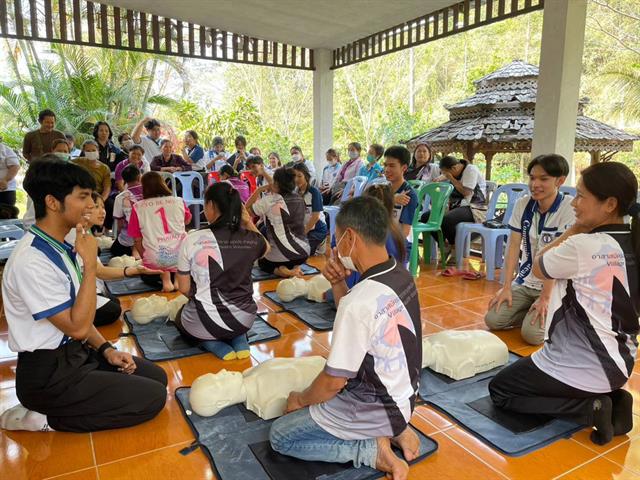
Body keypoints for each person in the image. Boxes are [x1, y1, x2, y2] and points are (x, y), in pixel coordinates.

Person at [0, 158, 167, 433]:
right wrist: (90, 266)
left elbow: (81, 317)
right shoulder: (31, 260)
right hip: (48, 375)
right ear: (53, 202)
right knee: (152, 399)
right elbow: (77, 326)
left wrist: (107, 349)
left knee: (156, 378)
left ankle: (82, 385)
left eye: (92, 196)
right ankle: (45, 419)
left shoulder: (62, 244)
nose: (91, 205)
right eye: (83, 197)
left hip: (76, 354)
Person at [269, 196, 422, 480]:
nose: (335, 248)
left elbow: (333, 382)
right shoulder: (400, 274)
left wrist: (300, 401)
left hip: (376, 406)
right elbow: (358, 321)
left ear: (350, 237)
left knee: (281, 436)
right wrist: (338, 282)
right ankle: (395, 429)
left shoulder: (361, 300)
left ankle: (371, 450)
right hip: (404, 397)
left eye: (337, 239)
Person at [489, 161, 639, 447]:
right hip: (622, 363)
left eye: (582, 196)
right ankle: (615, 398)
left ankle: (590, 408)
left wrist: (574, 230)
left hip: (583, 366)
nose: (575, 204)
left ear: (609, 204)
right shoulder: (631, 240)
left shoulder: (584, 245)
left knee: (501, 390)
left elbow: (538, 266)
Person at [485, 154, 574, 346]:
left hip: (555, 286)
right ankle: (529, 313)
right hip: (526, 281)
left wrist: (545, 298)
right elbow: (513, 247)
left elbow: (556, 259)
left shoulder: (568, 208)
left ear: (560, 180)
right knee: (492, 320)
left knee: (532, 336)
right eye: (532, 178)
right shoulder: (523, 204)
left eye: (543, 179)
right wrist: (507, 287)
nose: (535, 184)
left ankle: (563, 315)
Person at [175, 182, 270, 360]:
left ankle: (211, 343)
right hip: (245, 319)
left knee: (180, 317)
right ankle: (238, 337)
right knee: (229, 319)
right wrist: (248, 222)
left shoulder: (193, 238)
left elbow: (183, 288)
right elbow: (267, 249)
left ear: (211, 205)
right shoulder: (250, 239)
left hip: (203, 324)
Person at [128, 171, 192, 292]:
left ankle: (165, 276)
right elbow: (188, 220)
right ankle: (178, 278)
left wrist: (145, 258)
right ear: (163, 184)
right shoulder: (178, 201)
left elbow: (137, 240)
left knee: (146, 273)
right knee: (183, 262)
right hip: (181, 258)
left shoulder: (138, 207)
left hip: (155, 263)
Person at [246, 167, 310, 278]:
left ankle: (285, 271)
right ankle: (296, 267)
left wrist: (258, 190)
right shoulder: (300, 198)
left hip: (280, 256)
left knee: (263, 262)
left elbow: (245, 211)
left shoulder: (269, 200)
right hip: (304, 252)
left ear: (276, 183)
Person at [436, 155, 487, 263]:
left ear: (453, 168)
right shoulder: (455, 171)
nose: (445, 175)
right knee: (427, 217)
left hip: (474, 207)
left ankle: (454, 249)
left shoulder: (470, 170)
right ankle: (446, 245)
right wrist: (442, 178)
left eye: (445, 172)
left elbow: (466, 192)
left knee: (447, 219)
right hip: (458, 206)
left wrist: (451, 178)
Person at [292, 163, 328, 256]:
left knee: (302, 252)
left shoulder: (314, 192)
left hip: (317, 229)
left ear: (306, 176)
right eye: (294, 176)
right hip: (303, 229)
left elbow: (315, 217)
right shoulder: (294, 192)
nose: (296, 179)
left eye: (299, 176)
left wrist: (303, 233)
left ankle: (321, 241)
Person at [384, 146, 418, 239]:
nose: (386, 170)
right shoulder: (383, 190)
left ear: (404, 168)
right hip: (381, 240)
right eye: (385, 165)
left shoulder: (409, 195)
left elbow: (404, 232)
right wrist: (391, 200)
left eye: (391, 165)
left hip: (399, 244)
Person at [112, 164, 143, 257]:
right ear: (139, 176)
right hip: (152, 239)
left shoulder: (120, 198)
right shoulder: (150, 192)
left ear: (124, 179)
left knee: (115, 249)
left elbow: (120, 224)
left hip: (129, 241)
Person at [0, 141, 20, 208]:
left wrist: (5, 180)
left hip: (5, 191)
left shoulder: (5, 149)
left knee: (6, 215)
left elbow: (15, 166)